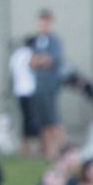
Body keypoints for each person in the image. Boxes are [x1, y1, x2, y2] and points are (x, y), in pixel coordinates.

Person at [31, 10, 65, 160]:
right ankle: (47, 151)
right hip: (38, 85)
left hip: (50, 85)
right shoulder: (36, 41)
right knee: (43, 121)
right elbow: (32, 62)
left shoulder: (54, 41)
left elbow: (51, 60)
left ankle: (61, 149)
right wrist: (39, 60)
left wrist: (41, 60)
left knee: (53, 119)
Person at [9, 37, 39, 156]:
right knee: (32, 120)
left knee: (25, 119)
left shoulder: (16, 54)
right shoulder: (29, 54)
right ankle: (30, 146)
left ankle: (25, 146)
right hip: (30, 90)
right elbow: (34, 65)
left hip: (19, 90)